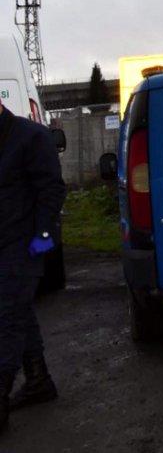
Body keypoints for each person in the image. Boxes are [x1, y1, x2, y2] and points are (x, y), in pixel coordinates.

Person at [0, 97, 66, 435]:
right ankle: (38, 380)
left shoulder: (30, 138)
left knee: (7, 317)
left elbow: (51, 190)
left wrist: (42, 234)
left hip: (23, 244)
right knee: (18, 311)